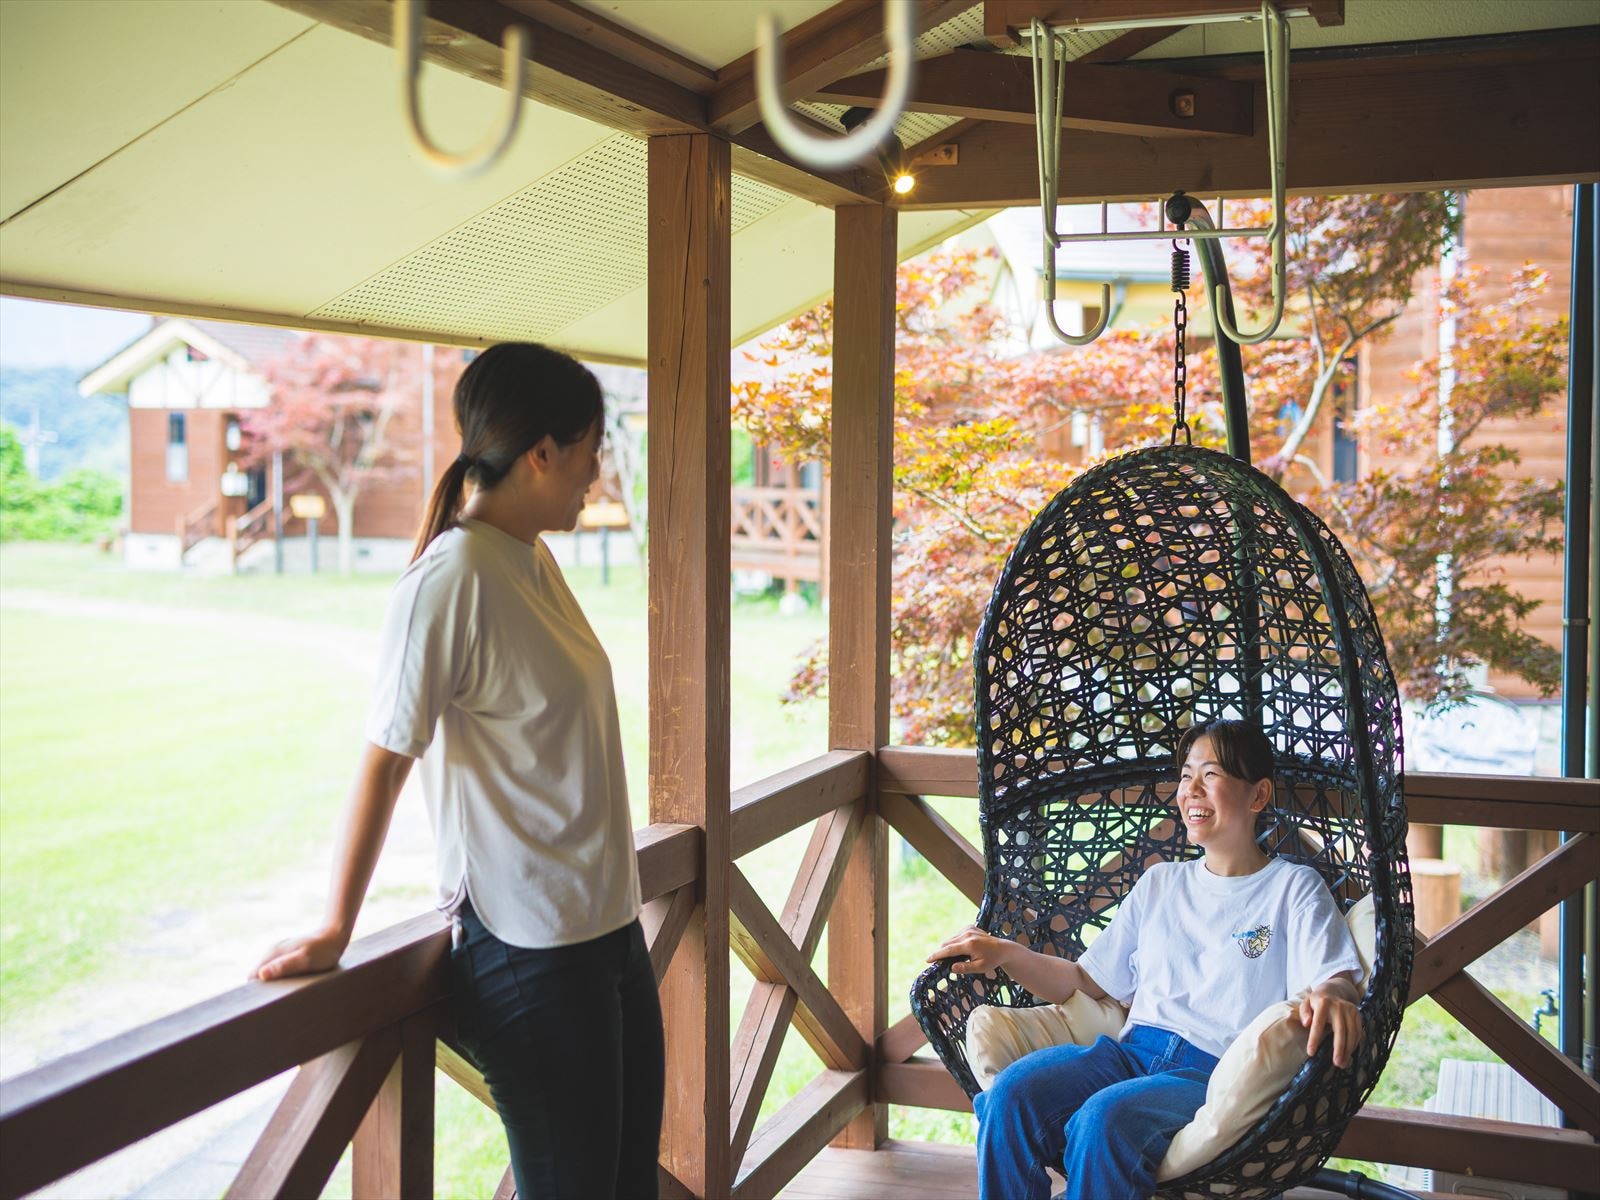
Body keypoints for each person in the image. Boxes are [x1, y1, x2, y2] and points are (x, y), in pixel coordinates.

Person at [255, 343, 663, 1200]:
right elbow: (384, 763)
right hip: (530, 948)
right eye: (592, 446)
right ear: (542, 453)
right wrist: (335, 926)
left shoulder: (530, 559)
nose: (601, 468)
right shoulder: (451, 579)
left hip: (607, 934)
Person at [929, 719, 1363, 1200]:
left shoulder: (1292, 888)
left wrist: (1336, 996)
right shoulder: (1161, 884)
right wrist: (1005, 953)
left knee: (1102, 1121)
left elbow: (1333, 977)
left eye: (1211, 775)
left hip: (1209, 1075)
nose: (1190, 790)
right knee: (1011, 1094)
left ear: (1258, 795)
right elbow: (1085, 980)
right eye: (1185, 776)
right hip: (1127, 1054)